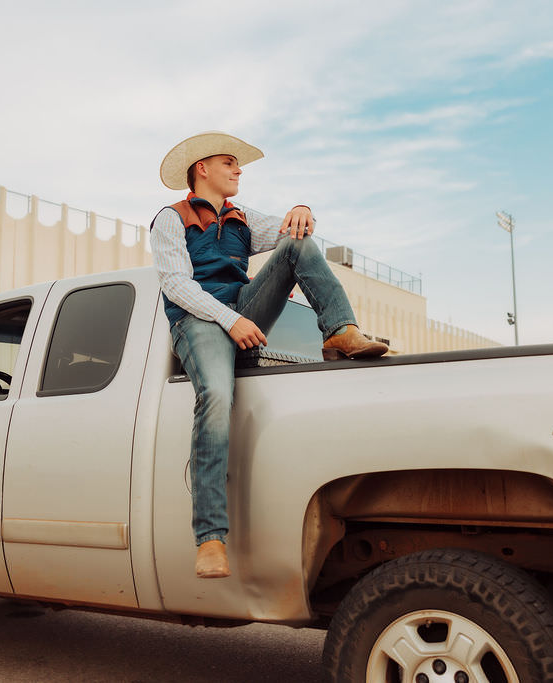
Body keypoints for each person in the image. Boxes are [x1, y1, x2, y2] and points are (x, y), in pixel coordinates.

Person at [150, 131, 388, 579]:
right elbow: (176, 286)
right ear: (202, 168)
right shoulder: (171, 219)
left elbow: (292, 230)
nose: (238, 170)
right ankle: (210, 538)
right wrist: (230, 321)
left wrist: (303, 210)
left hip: (243, 312)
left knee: (296, 244)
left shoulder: (242, 217)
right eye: (229, 162)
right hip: (198, 320)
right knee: (217, 398)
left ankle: (340, 330)